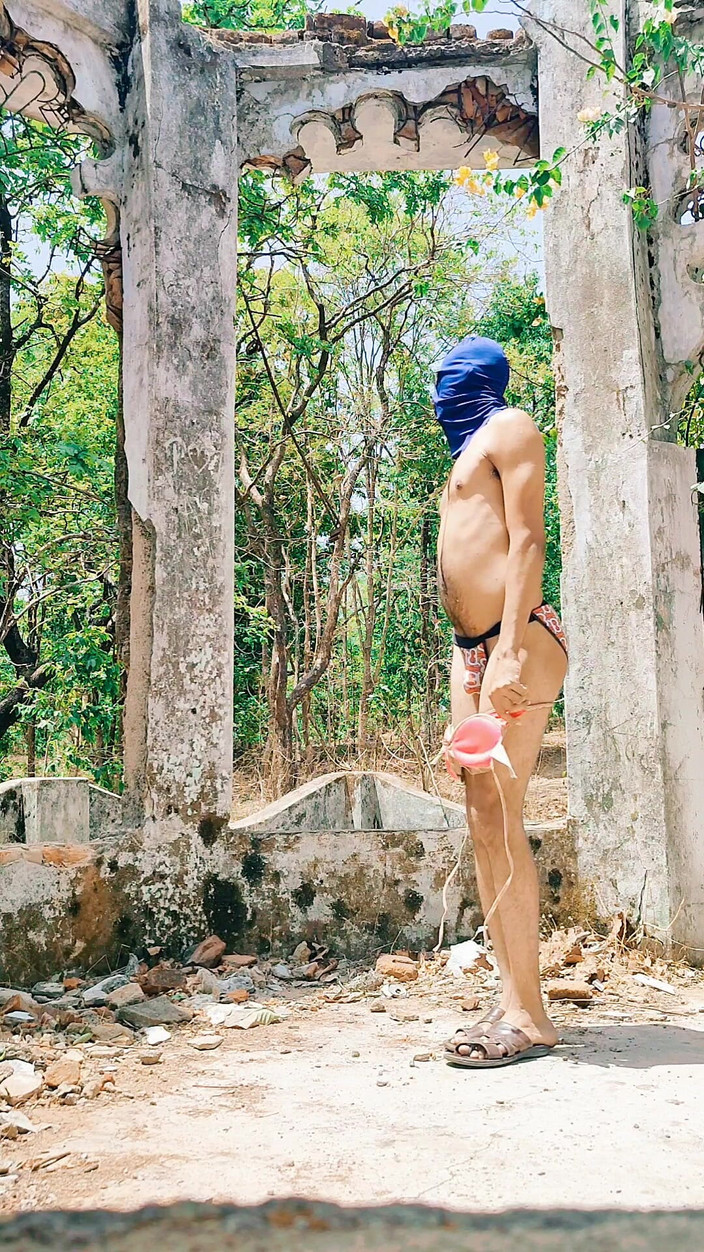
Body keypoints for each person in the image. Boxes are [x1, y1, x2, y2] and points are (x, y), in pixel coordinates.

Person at [434, 335, 568, 1069]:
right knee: (481, 813)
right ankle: (510, 994)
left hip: (516, 643)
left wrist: (510, 649)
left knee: (503, 813)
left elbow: (527, 542)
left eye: (453, 376)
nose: (442, 390)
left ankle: (530, 1016)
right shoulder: (463, 455)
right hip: (473, 652)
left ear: (481, 379)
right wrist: (477, 657)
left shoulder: (511, 427)